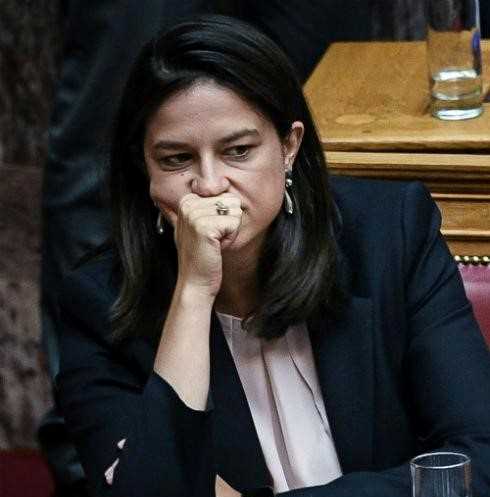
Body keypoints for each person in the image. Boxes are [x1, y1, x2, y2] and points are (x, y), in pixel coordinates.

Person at [55, 14, 490, 497]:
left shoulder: (390, 235)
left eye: (238, 151)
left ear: (288, 147)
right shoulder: (96, 306)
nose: (210, 185)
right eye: (176, 159)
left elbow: (478, 459)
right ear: (146, 171)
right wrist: (193, 293)